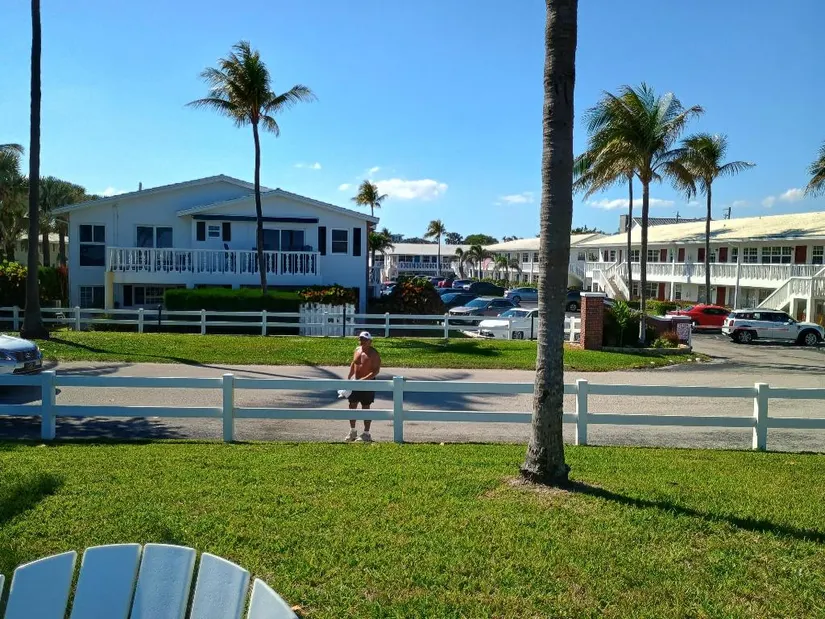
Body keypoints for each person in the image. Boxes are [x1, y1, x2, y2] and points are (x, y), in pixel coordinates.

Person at [345, 331, 381, 442]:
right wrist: (350, 375)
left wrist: (364, 379)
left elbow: (376, 371)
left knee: (366, 407)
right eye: (361, 339)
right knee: (352, 405)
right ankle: (352, 431)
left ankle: (366, 434)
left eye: (365, 339)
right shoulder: (357, 350)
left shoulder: (374, 354)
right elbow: (354, 363)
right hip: (356, 382)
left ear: (370, 341)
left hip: (368, 383)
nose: (362, 341)